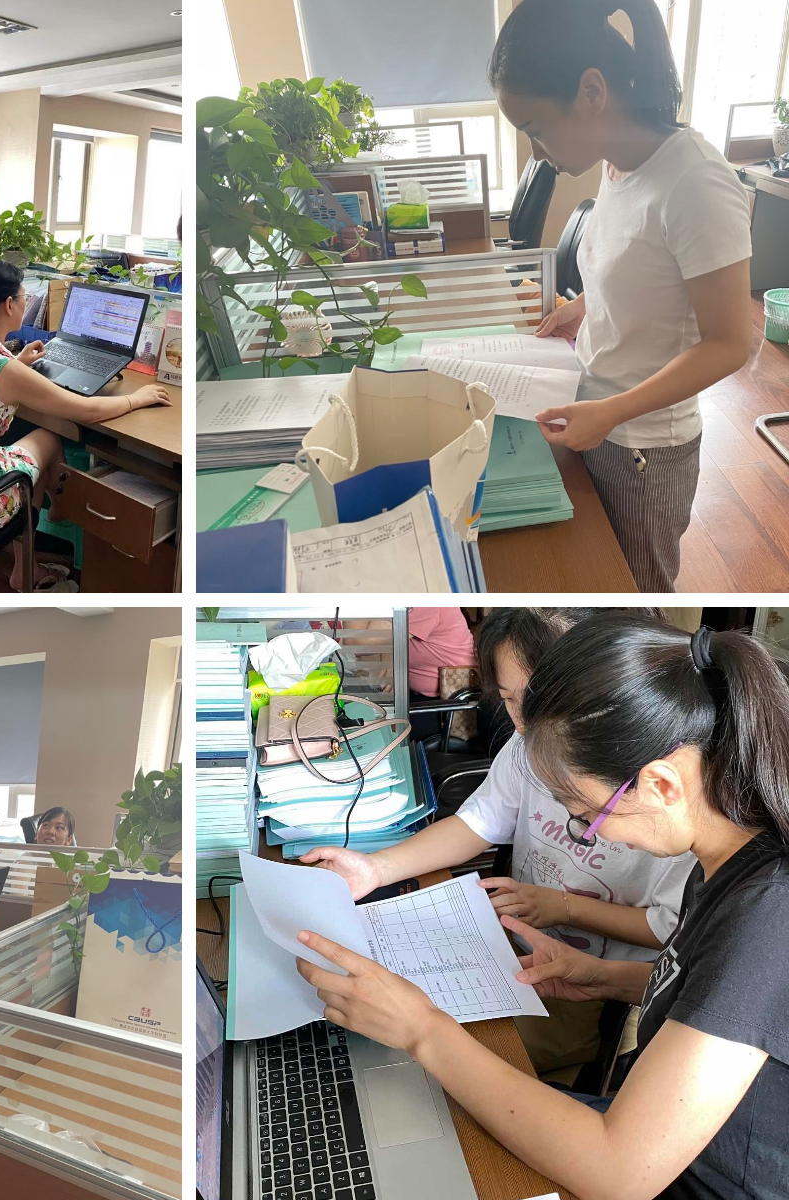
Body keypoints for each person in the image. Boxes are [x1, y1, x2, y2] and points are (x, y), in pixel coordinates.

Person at [297, 612, 789, 1200]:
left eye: (586, 813)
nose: (585, 831)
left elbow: (620, 1172)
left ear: (661, 785)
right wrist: (599, 975)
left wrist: (421, 1028)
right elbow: (713, 996)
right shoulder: (726, 855)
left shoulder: (767, 913)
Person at [304, 607, 694, 1074]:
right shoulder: (528, 744)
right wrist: (375, 868)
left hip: (592, 987)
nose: (524, 722)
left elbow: (668, 930)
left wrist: (563, 908)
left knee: (421, 1053)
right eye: (509, 699)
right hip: (510, 948)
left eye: (536, 697)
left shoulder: (663, 808)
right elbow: (479, 822)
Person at [488, 0, 752, 591]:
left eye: (535, 129)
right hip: (594, 414)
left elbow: (730, 343)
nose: (536, 153)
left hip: (644, 448)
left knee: (638, 599)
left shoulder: (696, 182)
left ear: (591, 91)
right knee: (589, 578)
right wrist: (582, 309)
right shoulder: (616, 165)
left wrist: (611, 413)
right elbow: (639, 269)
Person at [0, 261, 171, 591]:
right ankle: (41, 541)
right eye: (23, 296)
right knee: (49, 439)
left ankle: (48, 523)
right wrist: (136, 398)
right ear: (9, 305)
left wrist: (19, 364)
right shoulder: (1, 365)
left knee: (40, 440)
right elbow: (86, 411)